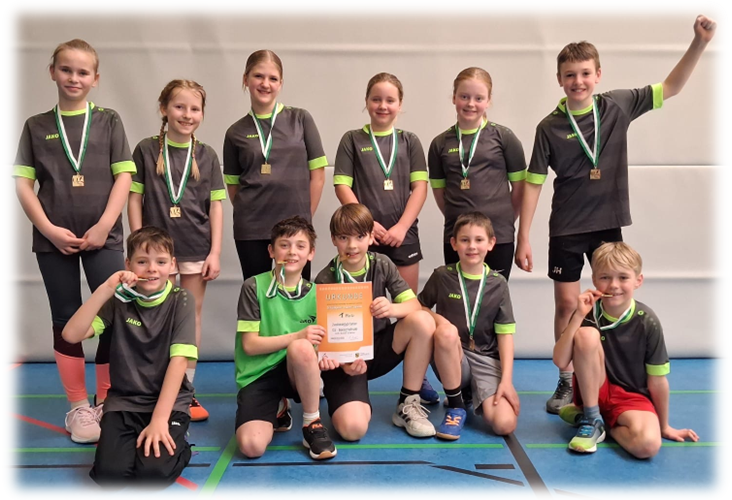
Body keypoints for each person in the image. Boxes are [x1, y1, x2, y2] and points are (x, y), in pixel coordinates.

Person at [515, 15, 718, 414]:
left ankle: (609, 380)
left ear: (598, 74)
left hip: (607, 225)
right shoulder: (548, 127)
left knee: (612, 301)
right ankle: (566, 381)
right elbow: (534, 183)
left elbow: (671, 87)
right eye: (570, 75)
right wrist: (524, 236)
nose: (578, 81)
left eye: (585, 73)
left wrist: (699, 42)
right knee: (567, 305)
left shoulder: (618, 105)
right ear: (559, 79)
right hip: (566, 227)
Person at [12, 39, 136, 443]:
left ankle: (107, 400)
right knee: (66, 320)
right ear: (52, 72)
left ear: (95, 79)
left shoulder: (109, 120)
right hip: (55, 240)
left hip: (104, 237)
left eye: (83, 72)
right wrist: (49, 229)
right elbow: (23, 183)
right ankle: (78, 407)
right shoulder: (36, 126)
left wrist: (104, 225)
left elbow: (123, 176)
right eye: (66, 69)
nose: (74, 78)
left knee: (114, 315)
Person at [62, 227, 197, 490]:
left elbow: (179, 361)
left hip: (167, 405)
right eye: (142, 261)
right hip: (124, 402)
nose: (152, 269)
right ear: (128, 264)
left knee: (152, 475)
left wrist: (159, 420)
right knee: (110, 477)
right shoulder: (118, 301)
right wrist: (106, 289)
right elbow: (71, 335)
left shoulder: (181, 299)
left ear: (172, 265)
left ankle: (181, 444)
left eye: (161, 262)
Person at [332, 72, 438, 405]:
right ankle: (351, 366)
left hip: (402, 235)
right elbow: (342, 185)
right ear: (366, 102)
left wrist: (402, 227)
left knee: (408, 310)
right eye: (376, 99)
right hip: (364, 235)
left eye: (390, 100)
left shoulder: (410, 141)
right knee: (359, 309)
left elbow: (420, 188)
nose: (383, 105)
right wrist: (368, 225)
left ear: (400, 105)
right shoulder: (352, 139)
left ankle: (417, 380)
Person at [316, 204, 462, 441]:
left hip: (379, 350)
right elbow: (322, 340)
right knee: (353, 430)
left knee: (422, 320)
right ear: (333, 239)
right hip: (345, 361)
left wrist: (391, 308)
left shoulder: (382, 264)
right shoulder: (325, 279)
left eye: (359, 236)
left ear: (371, 237)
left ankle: (407, 403)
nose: (352, 245)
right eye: (343, 237)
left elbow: (414, 305)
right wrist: (344, 364)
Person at [128, 79, 225, 422]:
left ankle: (185, 388)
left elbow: (216, 207)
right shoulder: (145, 149)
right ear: (164, 109)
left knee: (190, 316)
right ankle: (154, 388)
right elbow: (135, 198)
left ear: (202, 114)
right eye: (179, 107)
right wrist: (138, 244)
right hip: (157, 253)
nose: (187, 114)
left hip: (196, 247)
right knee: (157, 317)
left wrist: (215, 252)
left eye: (194, 109)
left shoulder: (207, 155)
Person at [552, 242, 698, 456]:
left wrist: (664, 426)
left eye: (623, 277)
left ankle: (602, 424)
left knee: (648, 446)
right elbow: (560, 360)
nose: (614, 285)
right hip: (595, 389)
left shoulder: (647, 321)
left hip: (631, 397)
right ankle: (591, 417)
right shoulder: (588, 312)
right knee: (586, 335)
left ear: (638, 281)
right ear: (594, 280)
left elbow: (657, 380)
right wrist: (578, 316)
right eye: (605, 277)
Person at [235, 216, 336, 461]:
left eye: (300, 246)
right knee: (251, 447)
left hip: (297, 370)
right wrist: (297, 335)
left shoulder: (319, 294)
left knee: (301, 348)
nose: (292, 252)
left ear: (310, 253)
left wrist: (330, 357)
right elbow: (249, 345)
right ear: (271, 251)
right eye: (284, 245)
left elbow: (321, 346)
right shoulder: (253, 287)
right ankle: (279, 408)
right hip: (259, 373)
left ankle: (312, 423)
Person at [224, 49, 328, 281]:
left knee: (296, 293)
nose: (265, 84)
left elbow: (318, 176)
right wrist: (252, 211)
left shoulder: (301, 119)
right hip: (251, 228)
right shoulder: (235, 132)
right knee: (258, 293)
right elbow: (233, 186)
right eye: (258, 76)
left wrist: (303, 219)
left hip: (295, 229)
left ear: (280, 83)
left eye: (273, 78)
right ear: (245, 79)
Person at [419, 212, 520, 439]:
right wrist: (439, 320)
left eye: (479, 240)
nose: (472, 246)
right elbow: (419, 307)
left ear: (491, 243)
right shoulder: (442, 276)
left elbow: (505, 335)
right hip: (453, 355)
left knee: (504, 424)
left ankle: (469, 392)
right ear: (454, 244)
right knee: (445, 333)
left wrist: (506, 382)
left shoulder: (498, 284)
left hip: (486, 359)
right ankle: (456, 405)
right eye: (465, 240)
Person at [428, 67, 526, 282]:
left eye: (478, 98)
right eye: (464, 96)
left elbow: (520, 188)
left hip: (498, 235)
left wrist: (505, 218)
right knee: (459, 295)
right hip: (457, 236)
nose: (471, 103)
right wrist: (458, 218)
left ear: (488, 100)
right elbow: (440, 193)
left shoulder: (504, 137)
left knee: (493, 294)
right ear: (454, 97)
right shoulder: (440, 143)